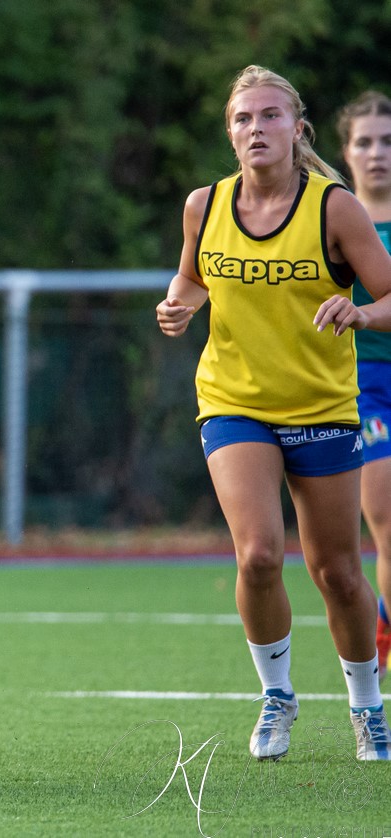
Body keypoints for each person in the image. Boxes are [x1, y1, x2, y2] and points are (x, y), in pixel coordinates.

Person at [156, 65, 391, 762]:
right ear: (229, 133)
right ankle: (277, 695)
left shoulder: (334, 209)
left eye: (269, 116)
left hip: (322, 405)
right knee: (258, 554)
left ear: (297, 128)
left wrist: (360, 312)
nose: (255, 128)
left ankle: (366, 704)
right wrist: (179, 305)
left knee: (337, 572)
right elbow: (191, 276)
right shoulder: (204, 205)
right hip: (233, 403)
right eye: (242, 119)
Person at [337, 90, 391, 683]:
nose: (377, 153)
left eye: (388, 141)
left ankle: (384, 620)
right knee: (388, 523)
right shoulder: (330, 220)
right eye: (365, 142)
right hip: (366, 388)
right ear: (347, 151)